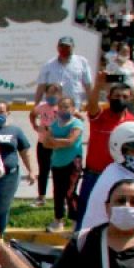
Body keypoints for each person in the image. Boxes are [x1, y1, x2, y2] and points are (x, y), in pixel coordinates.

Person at [76, 75, 134, 223]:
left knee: (112, 215)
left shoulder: (133, 123)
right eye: (117, 96)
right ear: (109, 97)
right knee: (85, 212)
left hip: (119, 176)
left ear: (130, 99)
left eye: (125, 96)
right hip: (94, 175)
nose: (120, 99)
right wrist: (98, 85)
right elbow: (92, 105)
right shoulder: (100, 117)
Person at [0, 100, 36, 233]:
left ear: (8, 113)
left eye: (1, 112)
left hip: (9, 176)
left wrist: (31, 171)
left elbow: (24, 151)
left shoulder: (15, 131)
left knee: (3, 208)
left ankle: (0, 236)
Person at [43, 96, 86, 232]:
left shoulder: (76, 124)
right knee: (58, 192)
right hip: (57, 162)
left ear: (73, 109)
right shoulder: (54, 125)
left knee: (70, 191)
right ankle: (58, 220)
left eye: (67, 107)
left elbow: (71, 141)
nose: (63, 109)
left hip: (73, 162)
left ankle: (75, 221)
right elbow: (45, 142)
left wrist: (54, 141)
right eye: (61, 107)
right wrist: (58, 142)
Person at [37, 35, 95, 107]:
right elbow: (41, 87)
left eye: (67, 47)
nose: (64, 49)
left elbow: (88, 86)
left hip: (74, 105)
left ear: (73, 47)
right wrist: (36, 106)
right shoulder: (48, 65)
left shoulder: (82, 62)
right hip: (53, 106)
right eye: (62, 46)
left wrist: (92, 103)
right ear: (57, 47)